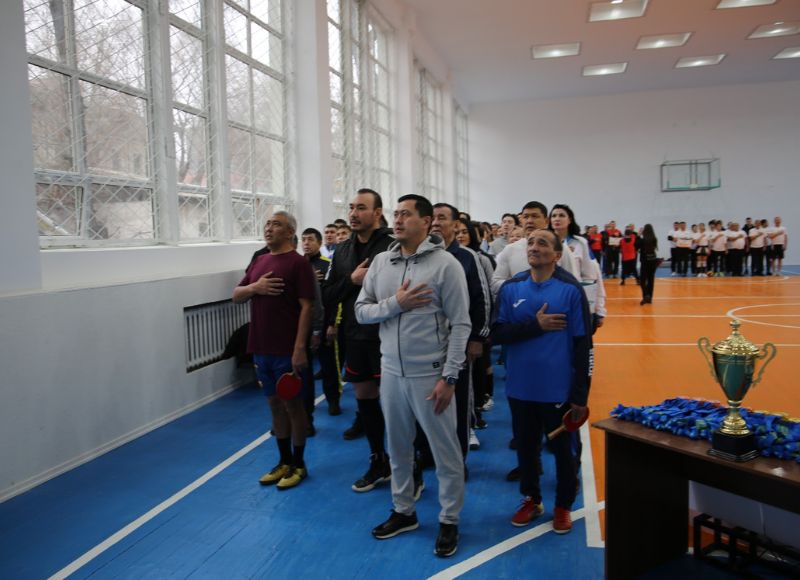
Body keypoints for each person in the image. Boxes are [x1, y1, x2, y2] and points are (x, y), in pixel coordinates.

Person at [355, 194, 470, 558]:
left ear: (426, 221)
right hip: (391, 372)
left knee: (445, 452)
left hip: (430, 375)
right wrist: (396, 304)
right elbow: (361, 311)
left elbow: (461, 324)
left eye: (406, 214)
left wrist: (449, 377)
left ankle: (449, 519)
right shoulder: (381, 262)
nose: (398, 220)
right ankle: (404, 511)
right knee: (399, 447)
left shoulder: (446, 265)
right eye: (396, 214)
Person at [491, 229, 591, 534]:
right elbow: (497, 334)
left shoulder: (570, 290)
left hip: (558, 390)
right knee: (526, 448)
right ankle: (532, 499)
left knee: (563, 452)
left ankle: (563, 506)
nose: (534, 247)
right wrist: (535, 325)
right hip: (520, 387)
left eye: (542, 243)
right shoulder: (511, 288)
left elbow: (584, 346)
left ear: (557, 255)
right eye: (531, 242)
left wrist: (580, 395)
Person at [233, 211, 316, 489]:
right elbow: (236, 295)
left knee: (293, 406)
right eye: (267, 223)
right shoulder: (259, 261)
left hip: (286, 350)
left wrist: (300, 348)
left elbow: (307, 307)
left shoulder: (299, 263)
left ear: (290, 232)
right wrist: (255, 287)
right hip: (260, 347)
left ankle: (299, 464)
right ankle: (284, 461)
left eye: (276, 224)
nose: (269, 228)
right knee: (274, 405)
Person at [322, 189, 395, 493]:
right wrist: (351, 281)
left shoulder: (393, 245)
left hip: (390, 335)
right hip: (355, 334)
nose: (353, 213)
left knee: (398, 403)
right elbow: (327, 294)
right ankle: (379, 459)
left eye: (361, 208)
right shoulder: (342, 250)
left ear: (377, 213)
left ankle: (412, 464)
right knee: (365, 398)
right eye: (351, 207)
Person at [432, 204, 491, 457]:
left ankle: (458, 458)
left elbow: (482, 299)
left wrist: (477, 338)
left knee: (458, 400)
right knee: (429, 401)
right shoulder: (423, 255)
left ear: (456, 225)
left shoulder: (467, 257)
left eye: (442, 218)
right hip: (428, 344)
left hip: (459, 343)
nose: (435, 223)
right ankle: (429, 454)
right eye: (432, 218)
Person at [491, 201, 579, 297]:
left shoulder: (560, 248)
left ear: (546, 221)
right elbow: (495, 284)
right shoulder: (510, 249)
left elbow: (573, 283)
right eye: (525, 217)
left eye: (535, 216)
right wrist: (522, 287)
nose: (529, 221)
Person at [455, 218, 496, 422]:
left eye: (464, 231)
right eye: (457, 232)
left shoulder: (480, 259)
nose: (460, 235)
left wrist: (483, 330)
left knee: (476, 371)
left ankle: (475, 413)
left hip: (475, 326)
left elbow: (488, 293)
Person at [301, 228, 342, 415]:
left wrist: (333, 323)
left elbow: (334, 297)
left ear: (319, 243)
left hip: (324, 322)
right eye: (303, 240)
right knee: (304, 367)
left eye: (310, 239)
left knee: (328, 365)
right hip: (303, 324)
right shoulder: (299, 266)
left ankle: (333, 400)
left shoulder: (328, 265)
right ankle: (306, 406)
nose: (306, 243)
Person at [549, 204, 606, 330]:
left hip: (574, 299)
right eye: (553, 216)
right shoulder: (544, 242)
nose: (557, 218)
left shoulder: (580, 243)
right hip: (550, 299)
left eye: (561, 215)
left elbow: (592, 277)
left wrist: (598, 309)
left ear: (569, 220)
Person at [636, 224, 659, 305]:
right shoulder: (654, 239)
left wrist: (638, 236)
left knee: (643, 280)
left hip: (645, 261)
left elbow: (636, 246)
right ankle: (650, 298)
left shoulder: (642, 240)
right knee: (651, 279)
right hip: (653, 260)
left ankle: (645, 295)